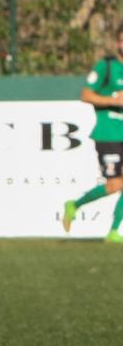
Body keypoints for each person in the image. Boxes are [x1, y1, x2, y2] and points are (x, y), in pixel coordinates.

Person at [62, 28, 123, 241]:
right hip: (109, 134)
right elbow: (86, 94)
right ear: (118, 43)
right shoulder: (107, 67)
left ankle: (114, 231)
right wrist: (113, 101)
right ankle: (74, 205)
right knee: (115, 185)